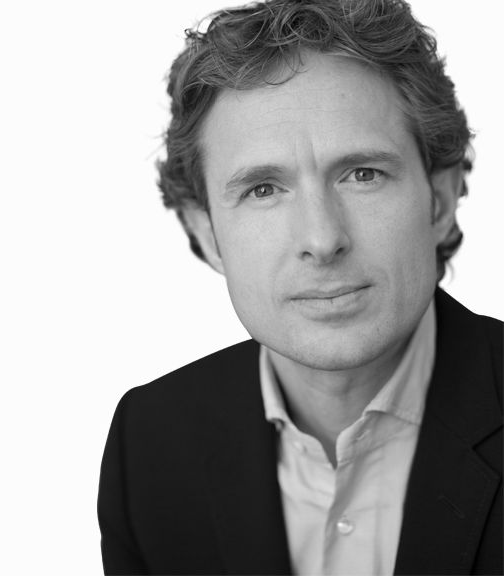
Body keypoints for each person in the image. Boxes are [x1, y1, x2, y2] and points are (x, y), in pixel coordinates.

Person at [98, 0, 503, 574]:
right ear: (206, 233)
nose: (322, 239)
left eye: (363, 174)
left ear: (439, 199)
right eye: (263, 189)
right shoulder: (149, 441)